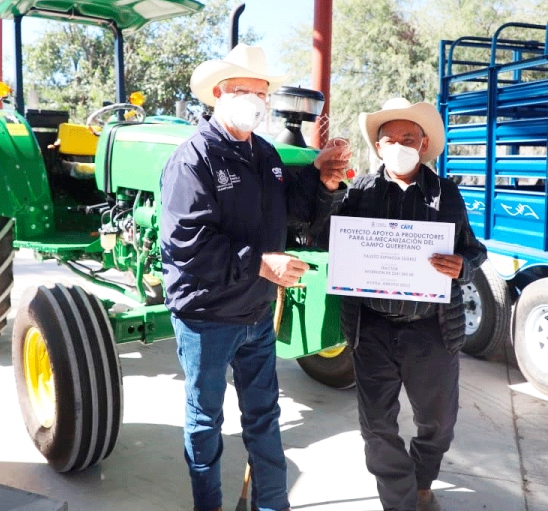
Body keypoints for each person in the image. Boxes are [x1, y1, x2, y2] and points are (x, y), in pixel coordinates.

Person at [159, 43, 349, 511]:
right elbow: (187, 245)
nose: (256, 100)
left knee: (264, 417)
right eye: (243, 90)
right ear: (218, 94)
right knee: (205, 421)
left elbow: (295, 211)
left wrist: (324, 180)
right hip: (206, 317)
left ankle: (273, 505)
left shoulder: (265, 155)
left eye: (262, 92)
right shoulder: (193, 160)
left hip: (257, 313)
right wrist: (264, 264)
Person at [334, 97, 487, 511]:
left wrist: (462, 265)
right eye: (390, 139)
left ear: (423, 144)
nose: (399, 145)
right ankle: (400, 501)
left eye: (409, 138)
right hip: (372, 328)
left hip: (431, 328)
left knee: (439, 422)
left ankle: (422, 480)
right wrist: (326, 188)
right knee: (376, 427)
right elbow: (326, 236)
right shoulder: (359, 193)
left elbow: (474, 249)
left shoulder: (446, 193)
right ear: (378, 147)